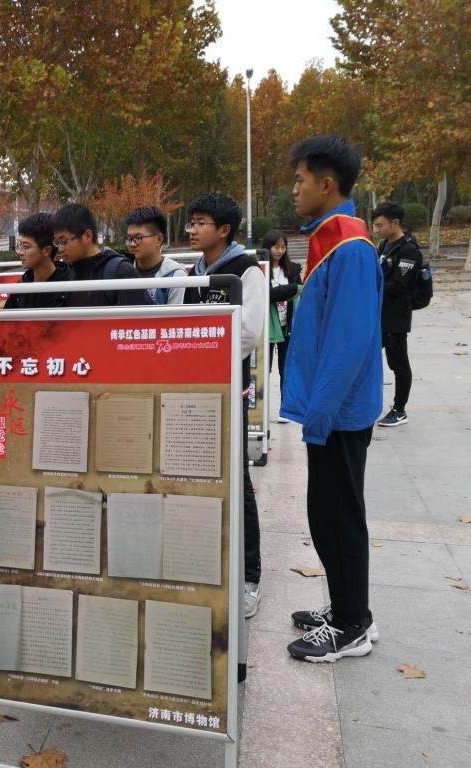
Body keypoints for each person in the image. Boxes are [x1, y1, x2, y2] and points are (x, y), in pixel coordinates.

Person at [282, 135, 382, 663]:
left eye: (300, 181)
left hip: (339, 412)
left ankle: (351, 625)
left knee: (337, 515)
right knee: (328, 512)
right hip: (331, 409)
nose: (294, 190)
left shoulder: (350, 246)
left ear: (326, 184)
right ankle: (348, 605)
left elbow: (349, 341)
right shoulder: (330, 240)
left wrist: (319, 413)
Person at [183, 192, 265, 619]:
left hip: (228, 390)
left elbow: (247, 335)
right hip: (192, 392)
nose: (192, 230)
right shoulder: (194, 272)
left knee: (237, 481)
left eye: (201, 223)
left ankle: (250, 576)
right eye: (191, 222)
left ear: (224, 230)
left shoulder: (245, 270)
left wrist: (201, 350)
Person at [372, 201, 423, 427]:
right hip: (380, 315)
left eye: (380, 225)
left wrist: (370, 286)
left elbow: (400, 286)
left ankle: (399, 409)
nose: (377, 230)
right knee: (367, 357)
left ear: (395, 223)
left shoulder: (408, 250)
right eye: (375, 225)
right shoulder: (385, 246)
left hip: (396, 317)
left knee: (399, 363)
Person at [50, 203, 150, 306]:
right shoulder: (69, 273)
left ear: (87, 236)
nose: (60, 249)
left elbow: (136, 315)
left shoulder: (121, 272)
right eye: (57, 242)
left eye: (64, 241)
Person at [262, 229, 301, 421]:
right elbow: (265, 294)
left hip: (288, 326)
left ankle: (286, 408)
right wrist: (289, 290)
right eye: (275, 247)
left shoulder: (292, 269)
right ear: (267, 247)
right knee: (263, 369)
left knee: (286, 369)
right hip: (267, 326)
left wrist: (281, 291)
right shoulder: (260, 268)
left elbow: (300, 289)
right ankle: (260, 410)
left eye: (283, 247)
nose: (279, 251)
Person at [3, 213, 73, 309]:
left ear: (46, 250)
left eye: (26, 247)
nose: (20, 252)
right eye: (19, 246)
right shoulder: (23, 285)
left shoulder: (70, 287)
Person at [124, 206, 187, 304]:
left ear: (158, 239)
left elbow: (176, 314)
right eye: (129, 239)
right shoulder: (123, 273)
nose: (132, 244)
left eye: (138, 238)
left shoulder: (175, 276)